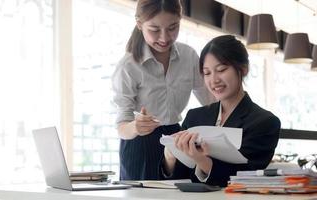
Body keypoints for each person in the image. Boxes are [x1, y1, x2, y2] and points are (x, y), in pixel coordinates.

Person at [112, 0, 214, 180]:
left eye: (173, 27)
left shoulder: (188, 56)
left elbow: (212, 102)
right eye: (154, 30)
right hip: (140, 144)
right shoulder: (128, 66)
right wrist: (135, 126)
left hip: (177, 140)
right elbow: (121, 127)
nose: (164, 38)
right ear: (139, 24)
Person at [161, 35, 281, 187]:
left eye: (221, 70)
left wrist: (202, 161)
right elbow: (179, 178)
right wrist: (170, 157)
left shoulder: (265, 122)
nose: (214, 80)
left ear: (243, 69)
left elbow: (248, 176)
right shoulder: (195, 116)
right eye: (207, 73)